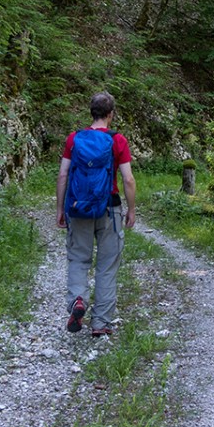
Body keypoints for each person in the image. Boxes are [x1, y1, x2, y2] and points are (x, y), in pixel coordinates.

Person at [56, 91, 136, 337]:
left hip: (78, 207)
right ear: (111, 114)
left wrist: (60, 208)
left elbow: (63, 175)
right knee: (106, 265)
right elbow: (128, 179)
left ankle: (78, 300)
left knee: (78, 259)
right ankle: (100, 323)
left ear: (91, 112)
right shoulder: (118, 140)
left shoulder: (74, 138)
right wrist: (131, 209)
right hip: (109, 208)